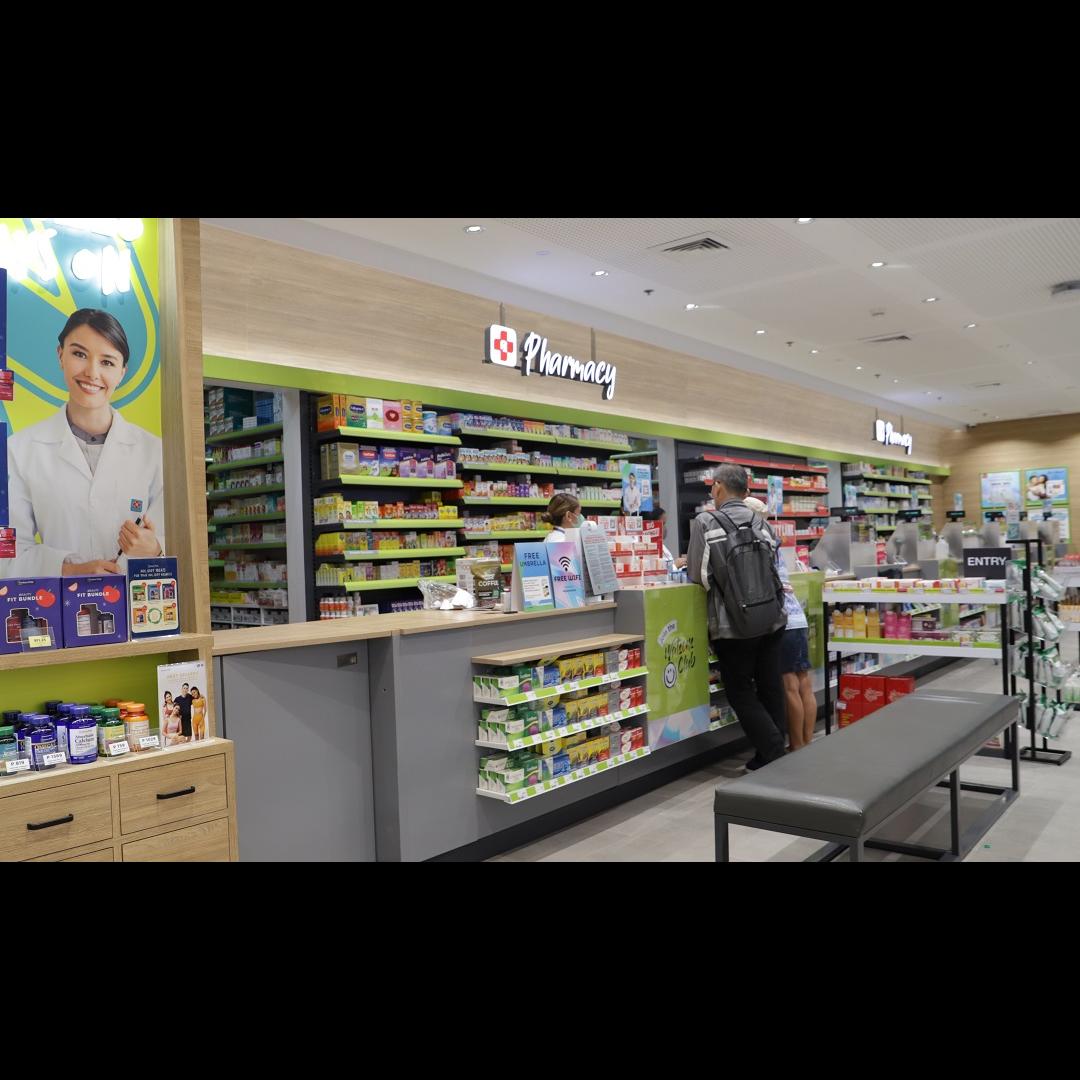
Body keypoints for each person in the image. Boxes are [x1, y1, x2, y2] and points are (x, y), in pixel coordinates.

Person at [2, 309, 164, 577]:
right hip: (58, 602)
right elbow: (8, 554)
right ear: (60, 355)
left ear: (122, 372)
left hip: (135, 601)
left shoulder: (154, 452)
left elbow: (178, 543)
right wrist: (71, 570)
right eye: (79, 354)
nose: (92, 373)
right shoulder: (19, 450)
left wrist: (155, 549)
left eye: (107, 362)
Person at [687, 464, 788, 770]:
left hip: (733, 623)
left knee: (740, 690)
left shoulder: (706, 522)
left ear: (718, 486)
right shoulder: (761, 522)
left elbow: (699, 576)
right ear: (746, 490)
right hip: (772, 617)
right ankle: (771, 755)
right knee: (770, 685)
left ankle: (773, 750)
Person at [746, 496, 816, 750]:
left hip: (783, 619)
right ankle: (807, 741)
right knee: (803, 682)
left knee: (789, 686)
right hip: (798, 617)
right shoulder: (772, 539)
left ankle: (796, 745)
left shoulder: (755, 541)